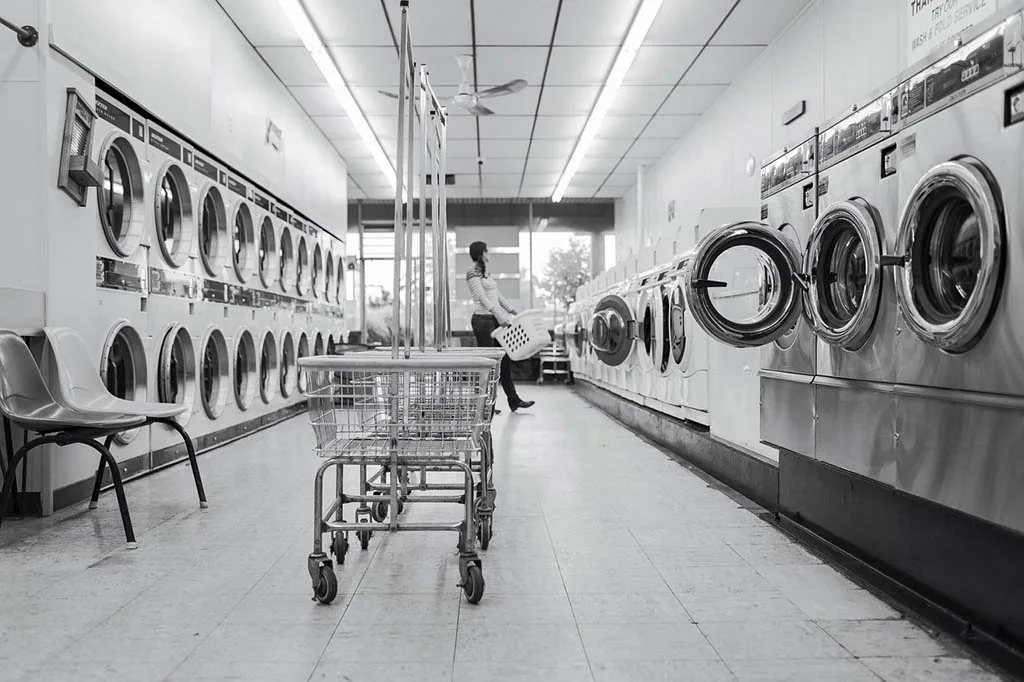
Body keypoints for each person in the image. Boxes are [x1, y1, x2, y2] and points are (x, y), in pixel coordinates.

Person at [466, 241, 534, 413]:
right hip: (482, 321)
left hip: (494, 320)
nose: (489, 253)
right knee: (488, 364)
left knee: (504, 361)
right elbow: (482, 297)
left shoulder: (486, 274)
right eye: (487, 251)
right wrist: (498, 315)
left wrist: (512, 310)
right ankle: (484, 405)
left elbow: (497, 296)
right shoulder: (472, 273)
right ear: (481, 253)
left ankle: (514, 400)